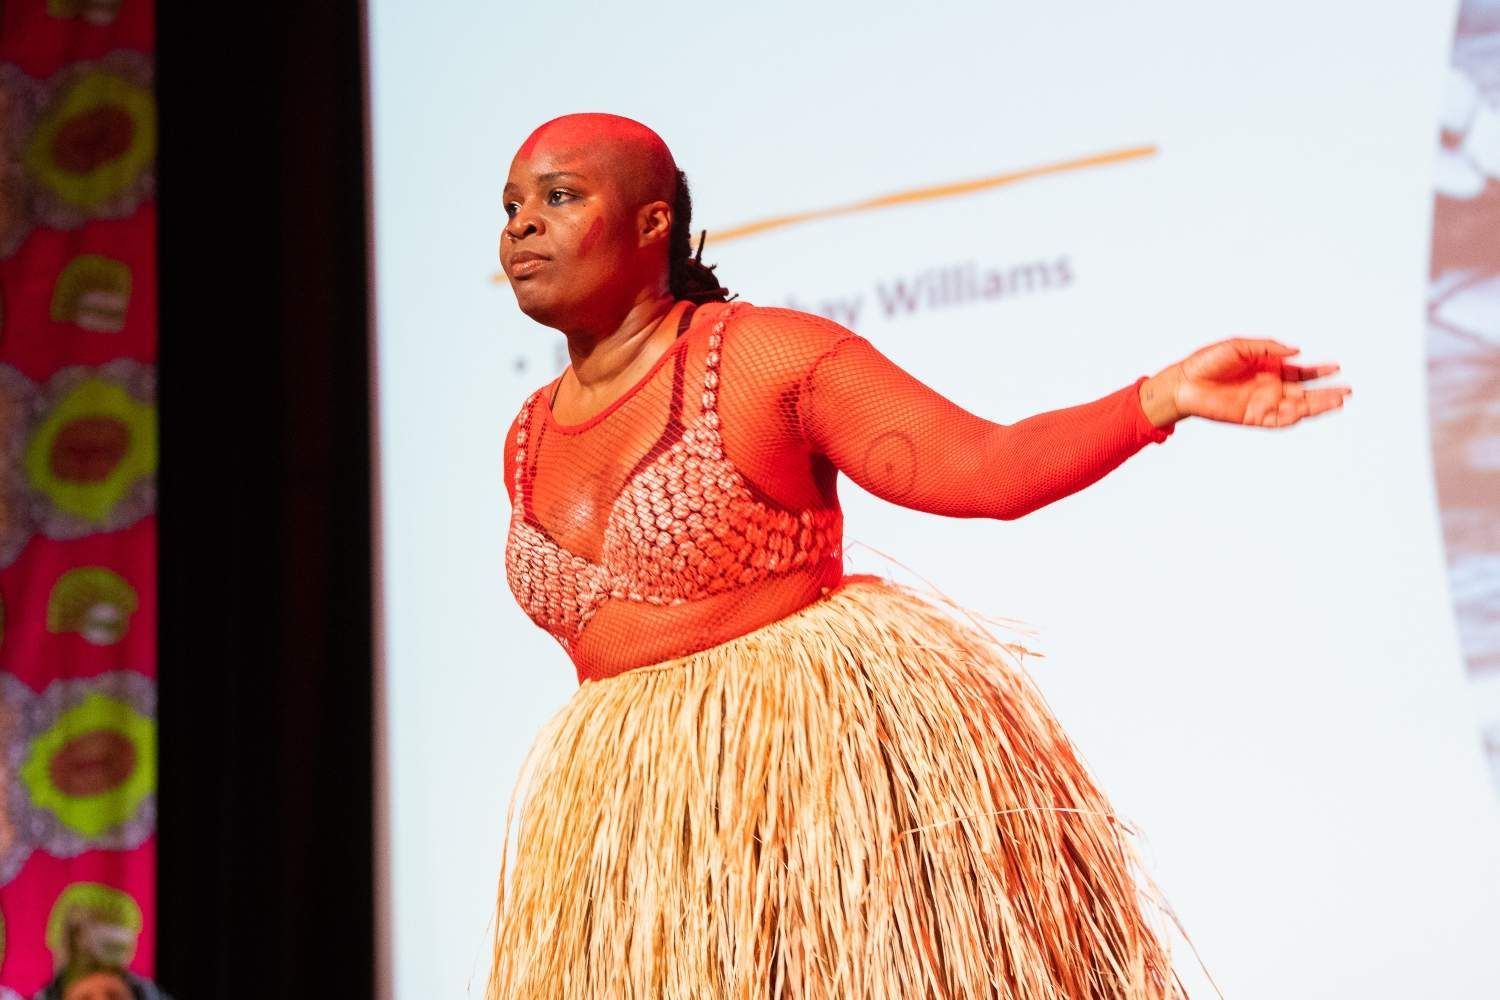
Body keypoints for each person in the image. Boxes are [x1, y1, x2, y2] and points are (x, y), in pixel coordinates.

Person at [488, 113, 1350, 999]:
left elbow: (987, 469)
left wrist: (1158, 399)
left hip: (806, 804)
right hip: (642, 839)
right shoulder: (527, 432)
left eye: (559, 197)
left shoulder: (765, 360)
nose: (521, 224)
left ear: (652, 223)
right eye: (512, 204)